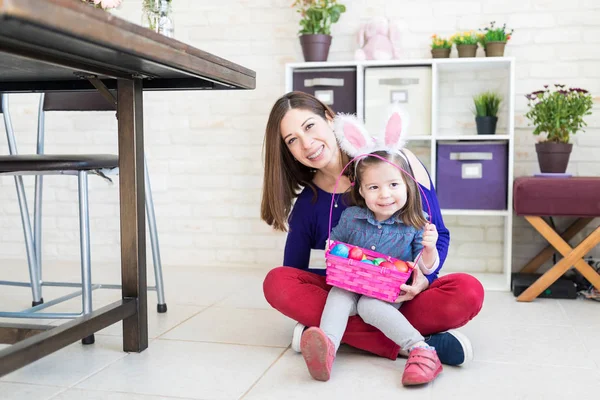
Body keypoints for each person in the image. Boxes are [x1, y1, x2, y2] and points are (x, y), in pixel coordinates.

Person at [260, 91, 484, 367]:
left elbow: (437, 233)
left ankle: (332, 335)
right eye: (292, 140)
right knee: (277, 282)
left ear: (330, 120)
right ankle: (417, 344)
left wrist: (423, 281)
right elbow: (293, 274)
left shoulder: (397, 163)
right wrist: (347, 276)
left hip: (402, 294)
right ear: (288, 151)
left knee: (468, 291)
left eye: (309, 126)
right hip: (347, 294)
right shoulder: (309, 202)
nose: (307, 144)